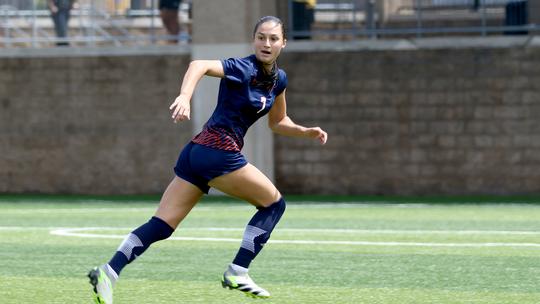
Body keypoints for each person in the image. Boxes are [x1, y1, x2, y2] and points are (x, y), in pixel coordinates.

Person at [88, 15, 328, 303]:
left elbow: (278, 122)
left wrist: (306, 131)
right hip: (218, 151)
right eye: (261, 37)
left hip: (199, 153)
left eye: (273, 38)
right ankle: (238, 270)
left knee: (163, 225)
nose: (266, 43)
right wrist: (184, 96)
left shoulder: (279, 80)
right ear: (254, 40)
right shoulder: (243, 67)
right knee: (274, 204)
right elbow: (198, 65)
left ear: (283, 43)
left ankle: (108, 272)